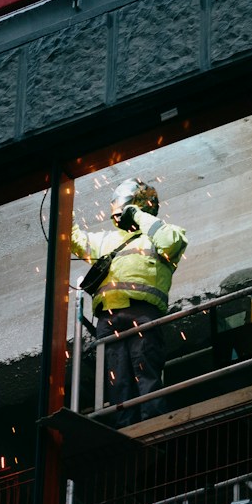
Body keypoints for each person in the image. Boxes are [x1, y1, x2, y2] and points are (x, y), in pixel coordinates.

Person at [71, 179, 189, 425]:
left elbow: (170, 243)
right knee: (118, 380)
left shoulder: (161, 234)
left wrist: (136, 215)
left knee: (145, 370)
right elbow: (76, 241)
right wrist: (65, 216)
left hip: (142, 312)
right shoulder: (107, 240)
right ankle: (126, 428)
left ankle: (153, 423)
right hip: (108, 317)